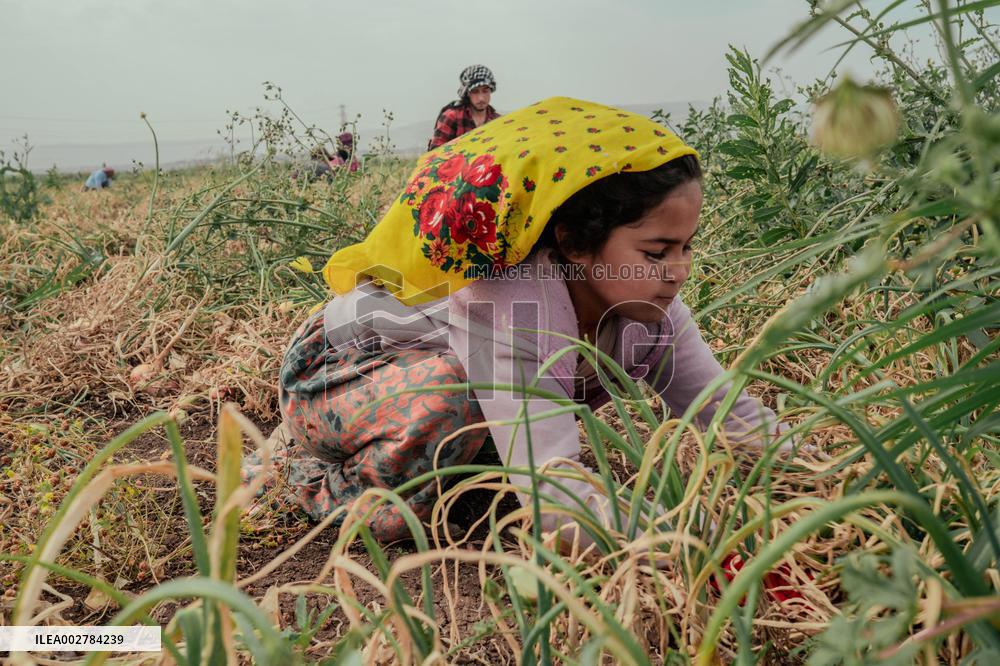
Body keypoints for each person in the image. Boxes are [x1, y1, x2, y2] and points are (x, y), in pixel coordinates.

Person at [243, 97, 789, 546]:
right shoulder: (512, 305)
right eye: (656, 252)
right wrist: (687, 538)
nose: (679, 271)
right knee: (447, 397)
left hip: (438, 373)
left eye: (687, 247)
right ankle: (300, 479)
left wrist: (818, 472)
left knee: (485, 426)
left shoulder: (655, 315)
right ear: (575, 244)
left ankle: (464, 470)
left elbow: (731, 418)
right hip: (337, 370)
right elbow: (552, 497)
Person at [427, 65, 500, 150]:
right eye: (475, 91)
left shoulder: (497, 121)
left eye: (485, 91)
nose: (481, 98)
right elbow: (435, 154)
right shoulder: (452, 116)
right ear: (467, 93)